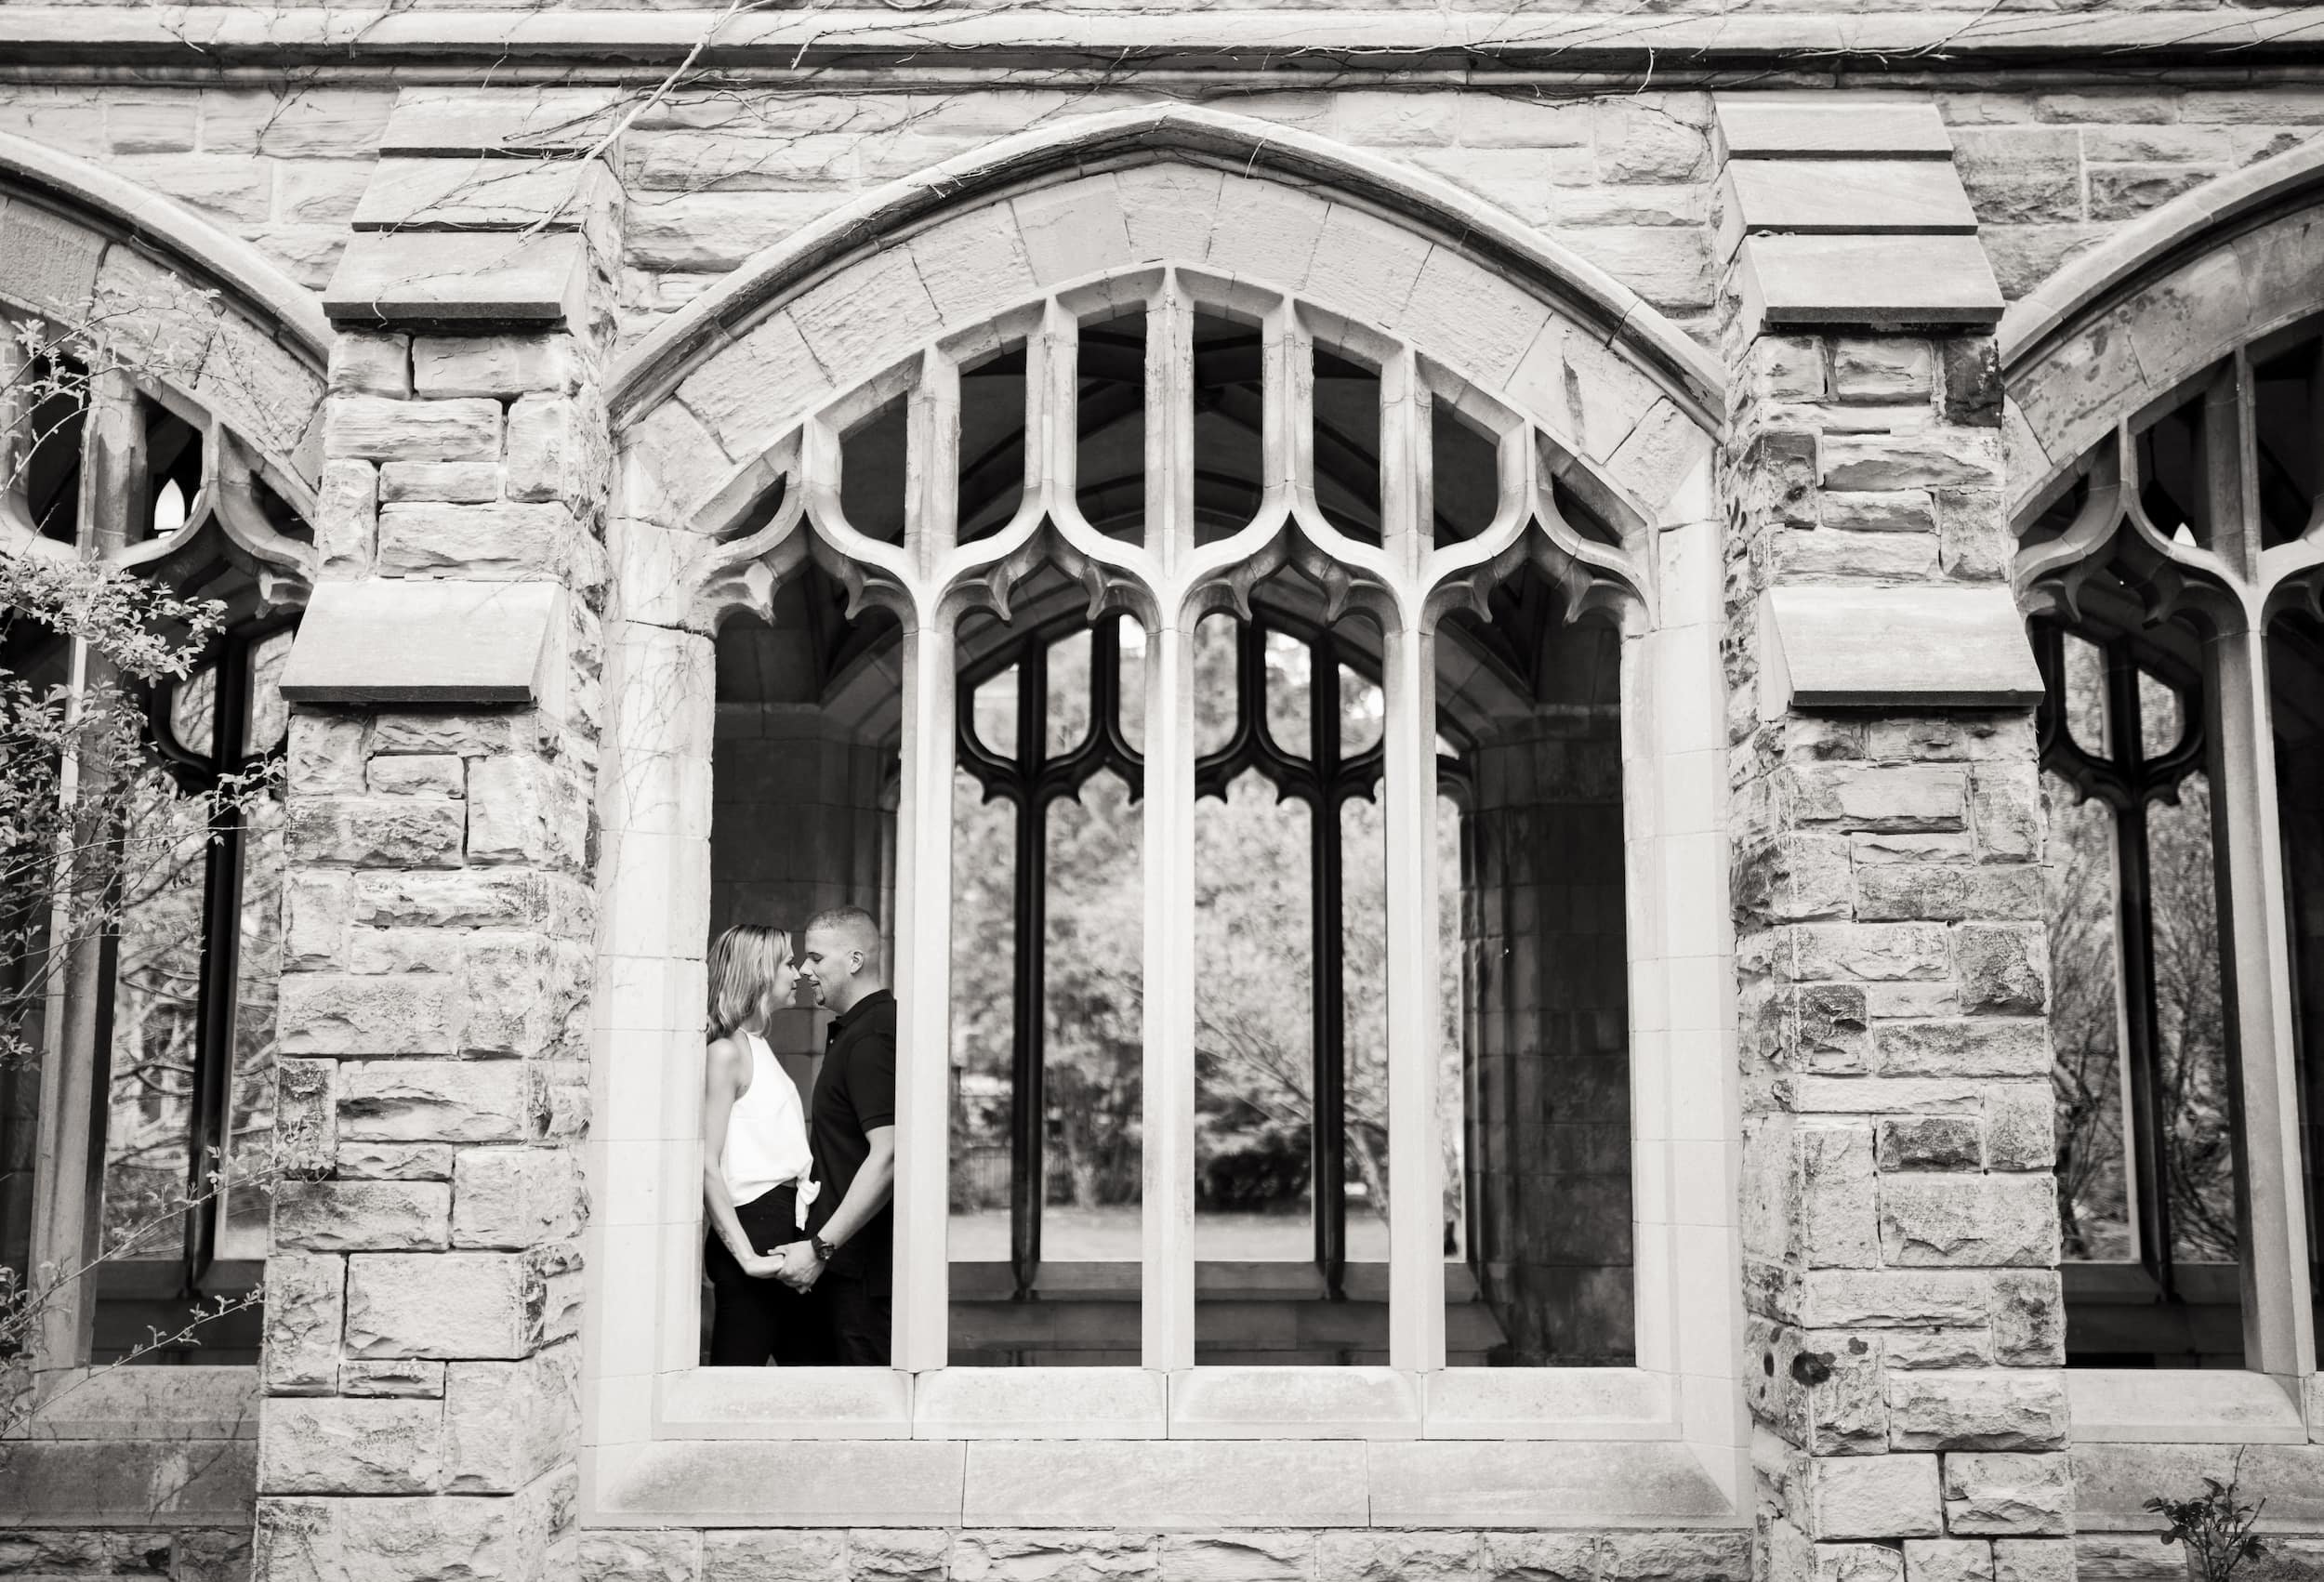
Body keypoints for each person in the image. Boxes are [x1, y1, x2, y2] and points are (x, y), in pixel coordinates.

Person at [700, 923, 829, 1366]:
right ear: (759, 971)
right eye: (789, 963)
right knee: (730, 1389)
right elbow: (706, 1164)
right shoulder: (726, 1052)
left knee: (817, 1384)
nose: (798, 974)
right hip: (754, 1232)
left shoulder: (757, 1045)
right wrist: (748, 1259)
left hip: (785, 1232)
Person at [779, 904, 895, 1365]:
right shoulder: (857, 1031)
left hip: (860, 1275)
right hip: (844, 1269)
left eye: (815, 958)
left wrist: (821, 1247)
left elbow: (888, 1154)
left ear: (854, 960)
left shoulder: (873, 1037)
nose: (805, 969)